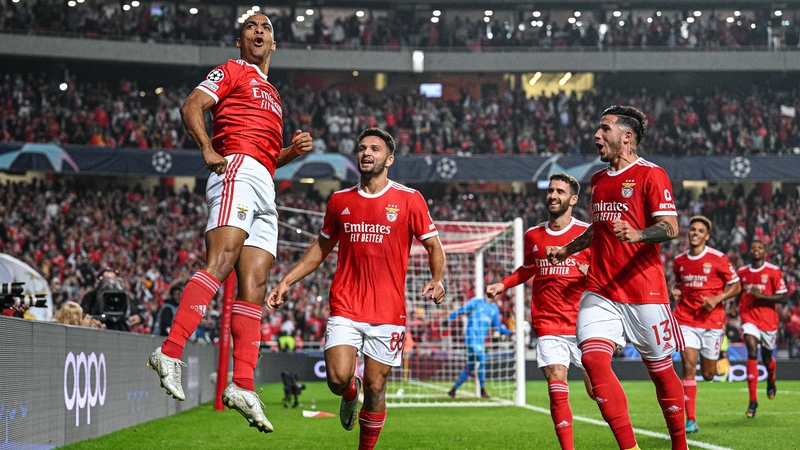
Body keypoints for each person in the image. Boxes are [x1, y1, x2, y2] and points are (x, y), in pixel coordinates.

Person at [146, 13, 313, 434]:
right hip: (234, 169)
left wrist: (291, 152)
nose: (259, 32)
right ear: (240, 40)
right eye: (251, 27)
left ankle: (242, 385)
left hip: (263, 181)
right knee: (220, 262)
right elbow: (192, 105)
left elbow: (267, 158)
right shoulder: (233, 70)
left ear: (274, 44)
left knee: (254, 287)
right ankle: (169, 350)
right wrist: (206, 147)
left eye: (266, 28)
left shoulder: (273, 93)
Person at [267, 128, 446, 450]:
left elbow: (434, 246)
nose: (367, 153)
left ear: (389, 159)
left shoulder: (409, 199)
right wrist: (286, 280)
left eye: (375, 149)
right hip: (346, 305)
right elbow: (321, 247)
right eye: (362, 148)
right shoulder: (340, 200)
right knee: (337, 380)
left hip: (388, 310)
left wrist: (437, 278)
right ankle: (350, 394)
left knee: (377, 389)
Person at [546, 105, 687, 450]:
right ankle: (629, 447)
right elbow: (598, 228)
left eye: (604, 128)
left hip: (644, 290)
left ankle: (679, 445)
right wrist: (568, 249)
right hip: (601, 289)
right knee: (593, 359)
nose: (597, 134)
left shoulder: (652, 175)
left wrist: (638, 235)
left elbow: (671, 227)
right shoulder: (597, 180)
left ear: (626, 137)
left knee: (661, 371)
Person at [485, 172, 593, 450]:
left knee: (598, 392)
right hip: (548, 324)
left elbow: (607, 273)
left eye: (560, 192)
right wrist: (503, 284)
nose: (554, 196)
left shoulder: (586, 234)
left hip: (585, 324)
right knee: (556, 388)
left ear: (573, 199)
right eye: (551, 191)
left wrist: (589, 272)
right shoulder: (534, 235)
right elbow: (529, 269)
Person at [671, 215, 741, 433]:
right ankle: (691, 420)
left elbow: (736, 286)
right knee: (689, 367)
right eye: (693, 230)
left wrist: (716, 299)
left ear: (707, 236)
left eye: (700, 231)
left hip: (712, 322)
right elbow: (678, 283)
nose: (695, 233)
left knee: (710, 374)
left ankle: (720, 355)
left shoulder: (718, 258)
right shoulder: (679, 261)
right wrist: (677, 290)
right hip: (686, 319)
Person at [736, 239, 787, 418]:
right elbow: (738, 293)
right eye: (753, 247)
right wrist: (736, 308)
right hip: (749, 317)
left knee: (767, 358)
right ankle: (752, 400)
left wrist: (762, 296)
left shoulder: (773, 271)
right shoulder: (742, 272)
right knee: (751, 348)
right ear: (749, 252)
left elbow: (783, 297)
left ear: (765, 252)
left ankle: (771, 379)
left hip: (768, 321)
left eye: (759, 248)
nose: (756, 250)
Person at [443, 296, 512, 399]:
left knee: (470, 367)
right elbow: (462, 310)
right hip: (471, 339)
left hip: (480, 342)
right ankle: (482, 390)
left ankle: (453, 390)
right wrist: (449, 319)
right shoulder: (476, 302)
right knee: (482, 359)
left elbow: (497, 327)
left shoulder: (494, 309)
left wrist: (510, 332)